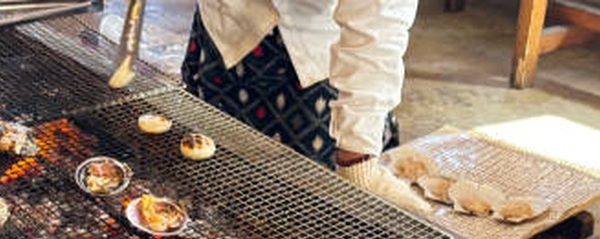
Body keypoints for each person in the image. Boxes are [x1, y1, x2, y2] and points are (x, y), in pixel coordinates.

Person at [182, 0, 429, 215]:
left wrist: (357, 159)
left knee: (310, 213)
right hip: (224, 30)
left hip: (310, 58)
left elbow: (376, 20)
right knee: (211, 187)